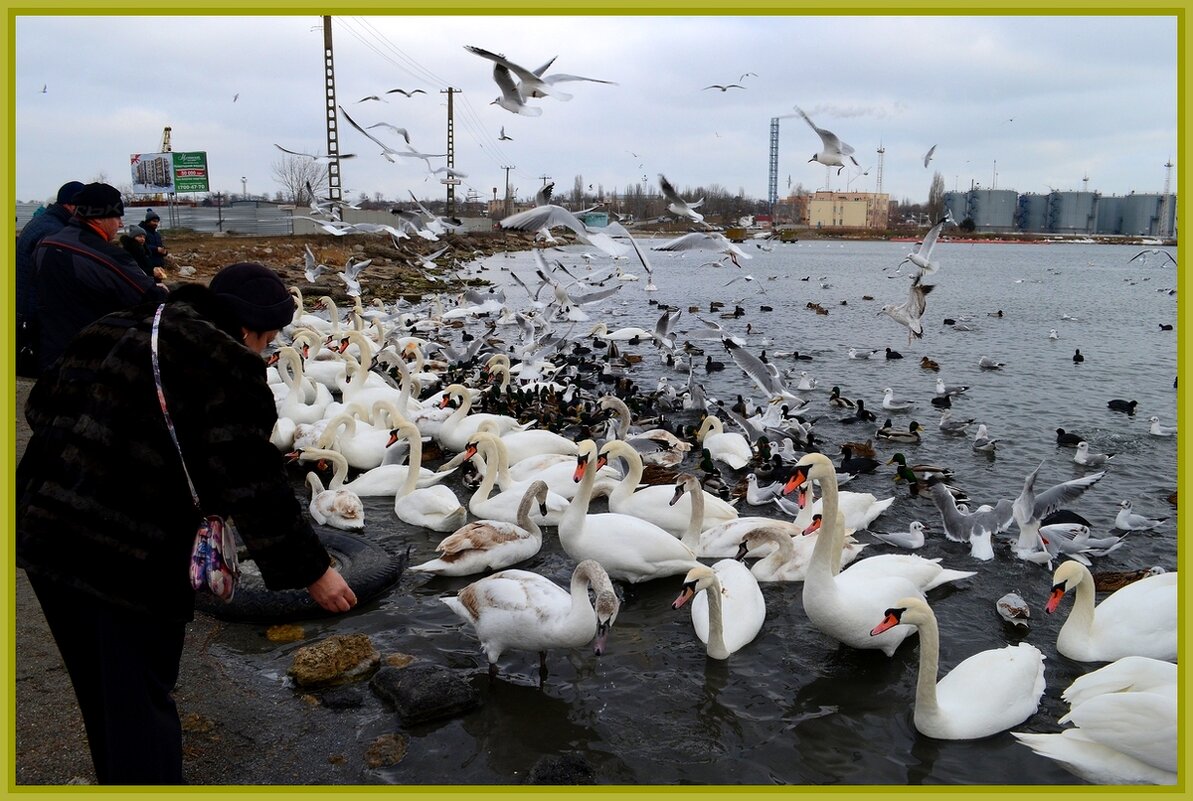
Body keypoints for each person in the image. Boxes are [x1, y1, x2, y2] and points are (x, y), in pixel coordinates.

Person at [16, 262, 358, 785]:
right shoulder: (223, 362)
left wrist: (115, 451)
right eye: (266, 341)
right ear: (246, 329)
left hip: (43, 532)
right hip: (127, 556)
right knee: (141, 702)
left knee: (100, 691)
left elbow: (41, 408)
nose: (266, 353)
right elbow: (251, 480)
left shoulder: (112, 324)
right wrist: (314, 571)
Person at [31, 182, 168, 373]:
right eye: (117, 216)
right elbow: (151, 298)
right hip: (90, 364)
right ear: (99, 217)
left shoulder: (45, 244)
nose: (120, 224)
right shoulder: (106, 256)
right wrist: (161, 291)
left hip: (50, 358)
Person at [15, 179, 84, 376]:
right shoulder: (54, 231)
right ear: (71, 205)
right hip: (37, 315)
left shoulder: (44, 221)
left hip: (28, 310)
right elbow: (58, 280)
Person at [142, 208, 168, 273]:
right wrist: (156, 249)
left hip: (159, 266)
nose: (156, 223)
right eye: (153, 221)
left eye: (157, 221)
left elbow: (161, 246)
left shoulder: (157, 234)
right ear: (148, 221)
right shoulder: (142, 234)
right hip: (149, 266)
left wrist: (164, 252)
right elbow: (142, 246)